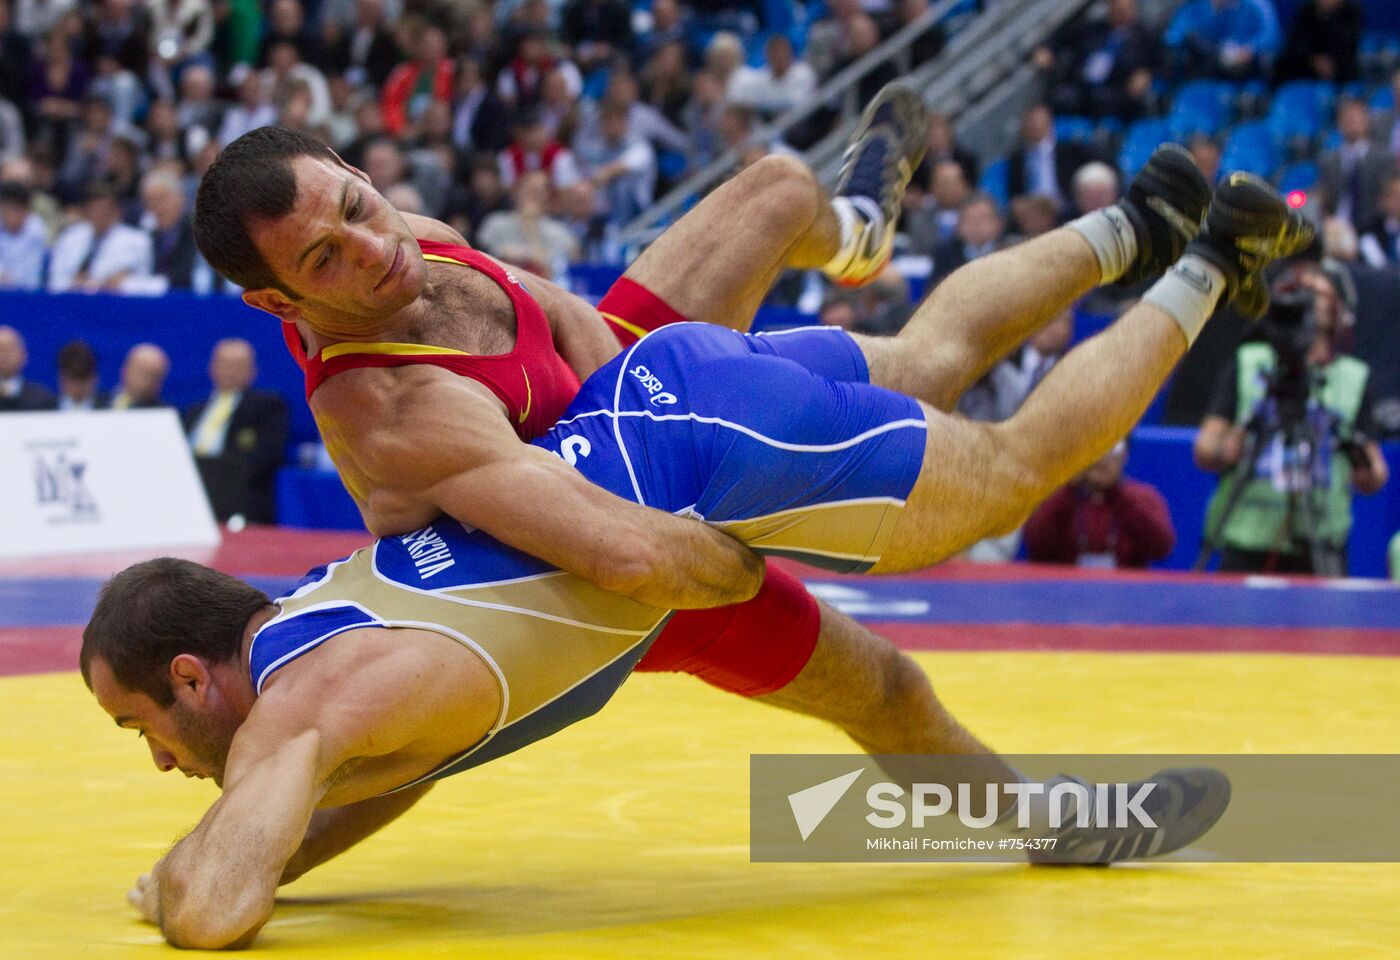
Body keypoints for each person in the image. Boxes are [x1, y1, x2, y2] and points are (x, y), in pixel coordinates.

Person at [85, 157, 1312, 937]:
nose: (370, 246)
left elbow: (216, 908)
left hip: (670, 505)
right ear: (284, 294)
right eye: (326, 256)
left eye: (144, 729)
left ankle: (1202, 259)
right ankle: (1129, 228)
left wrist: (183, 876)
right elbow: (376, 773)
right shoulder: (327, 647)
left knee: (1007, 474)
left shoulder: (308, 698)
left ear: (194, 678)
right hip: (648, 447)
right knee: (890, 617)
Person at [1194, 261, 1389, 575]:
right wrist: (1228, 448)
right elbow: (1205, 450)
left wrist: (1364, 466)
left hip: (1321, 540)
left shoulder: (1352, 378)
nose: (1310, 302)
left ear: (1340, 310)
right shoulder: (1249, 363)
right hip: (1248, 539)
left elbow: (1375, 474)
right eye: (1301, 293)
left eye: (1319, 294)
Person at [1024, 440, 1177, 568]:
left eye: (1112, 448)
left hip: (1125, 594)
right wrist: (1069, 490)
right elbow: (1035, 543)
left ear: (1125, 455)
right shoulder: (1055, 496)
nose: (1102, 457)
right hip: (1061, 594)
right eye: (1094, 447)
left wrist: (1117, 495)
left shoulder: (1143, 497)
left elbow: (1161, 548)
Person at [184, 338, 289, 525]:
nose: (230, 371)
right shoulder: (194, 410)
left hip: (239, 501)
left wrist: (215, 477)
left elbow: (267, 456)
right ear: (212, 367)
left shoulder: (267, 406)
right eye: (225, 364)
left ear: (252, 371)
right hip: (190, 495)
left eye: (238, 365)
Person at [46, 181, 154, 293]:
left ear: (117, 211)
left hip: (116, 305)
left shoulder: (137, 241)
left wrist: (113, 283)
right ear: (86, 211)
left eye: (104, 210)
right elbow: (54, 282)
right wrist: (76, 284)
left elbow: (142, 283)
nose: (99, 215)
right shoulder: (69, 237)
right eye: (93, 209)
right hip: (73, 303)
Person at [0, 323, 57, 411]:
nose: (3, 356)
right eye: (0, 350)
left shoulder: (41, 400)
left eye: (8, 350)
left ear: (23, 355)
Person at [106, 342, 170, 409]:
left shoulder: (161, 413)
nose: (144, 382)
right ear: (125, 369)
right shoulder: (98, 402)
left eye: (151, 376)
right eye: (140, 371)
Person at [55, 338, 106, 410]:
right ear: (62, 378)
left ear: (94, 378)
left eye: (82, 379)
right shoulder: (41, 411)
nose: (78, 388)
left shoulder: (110, 411)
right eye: (73, 380)